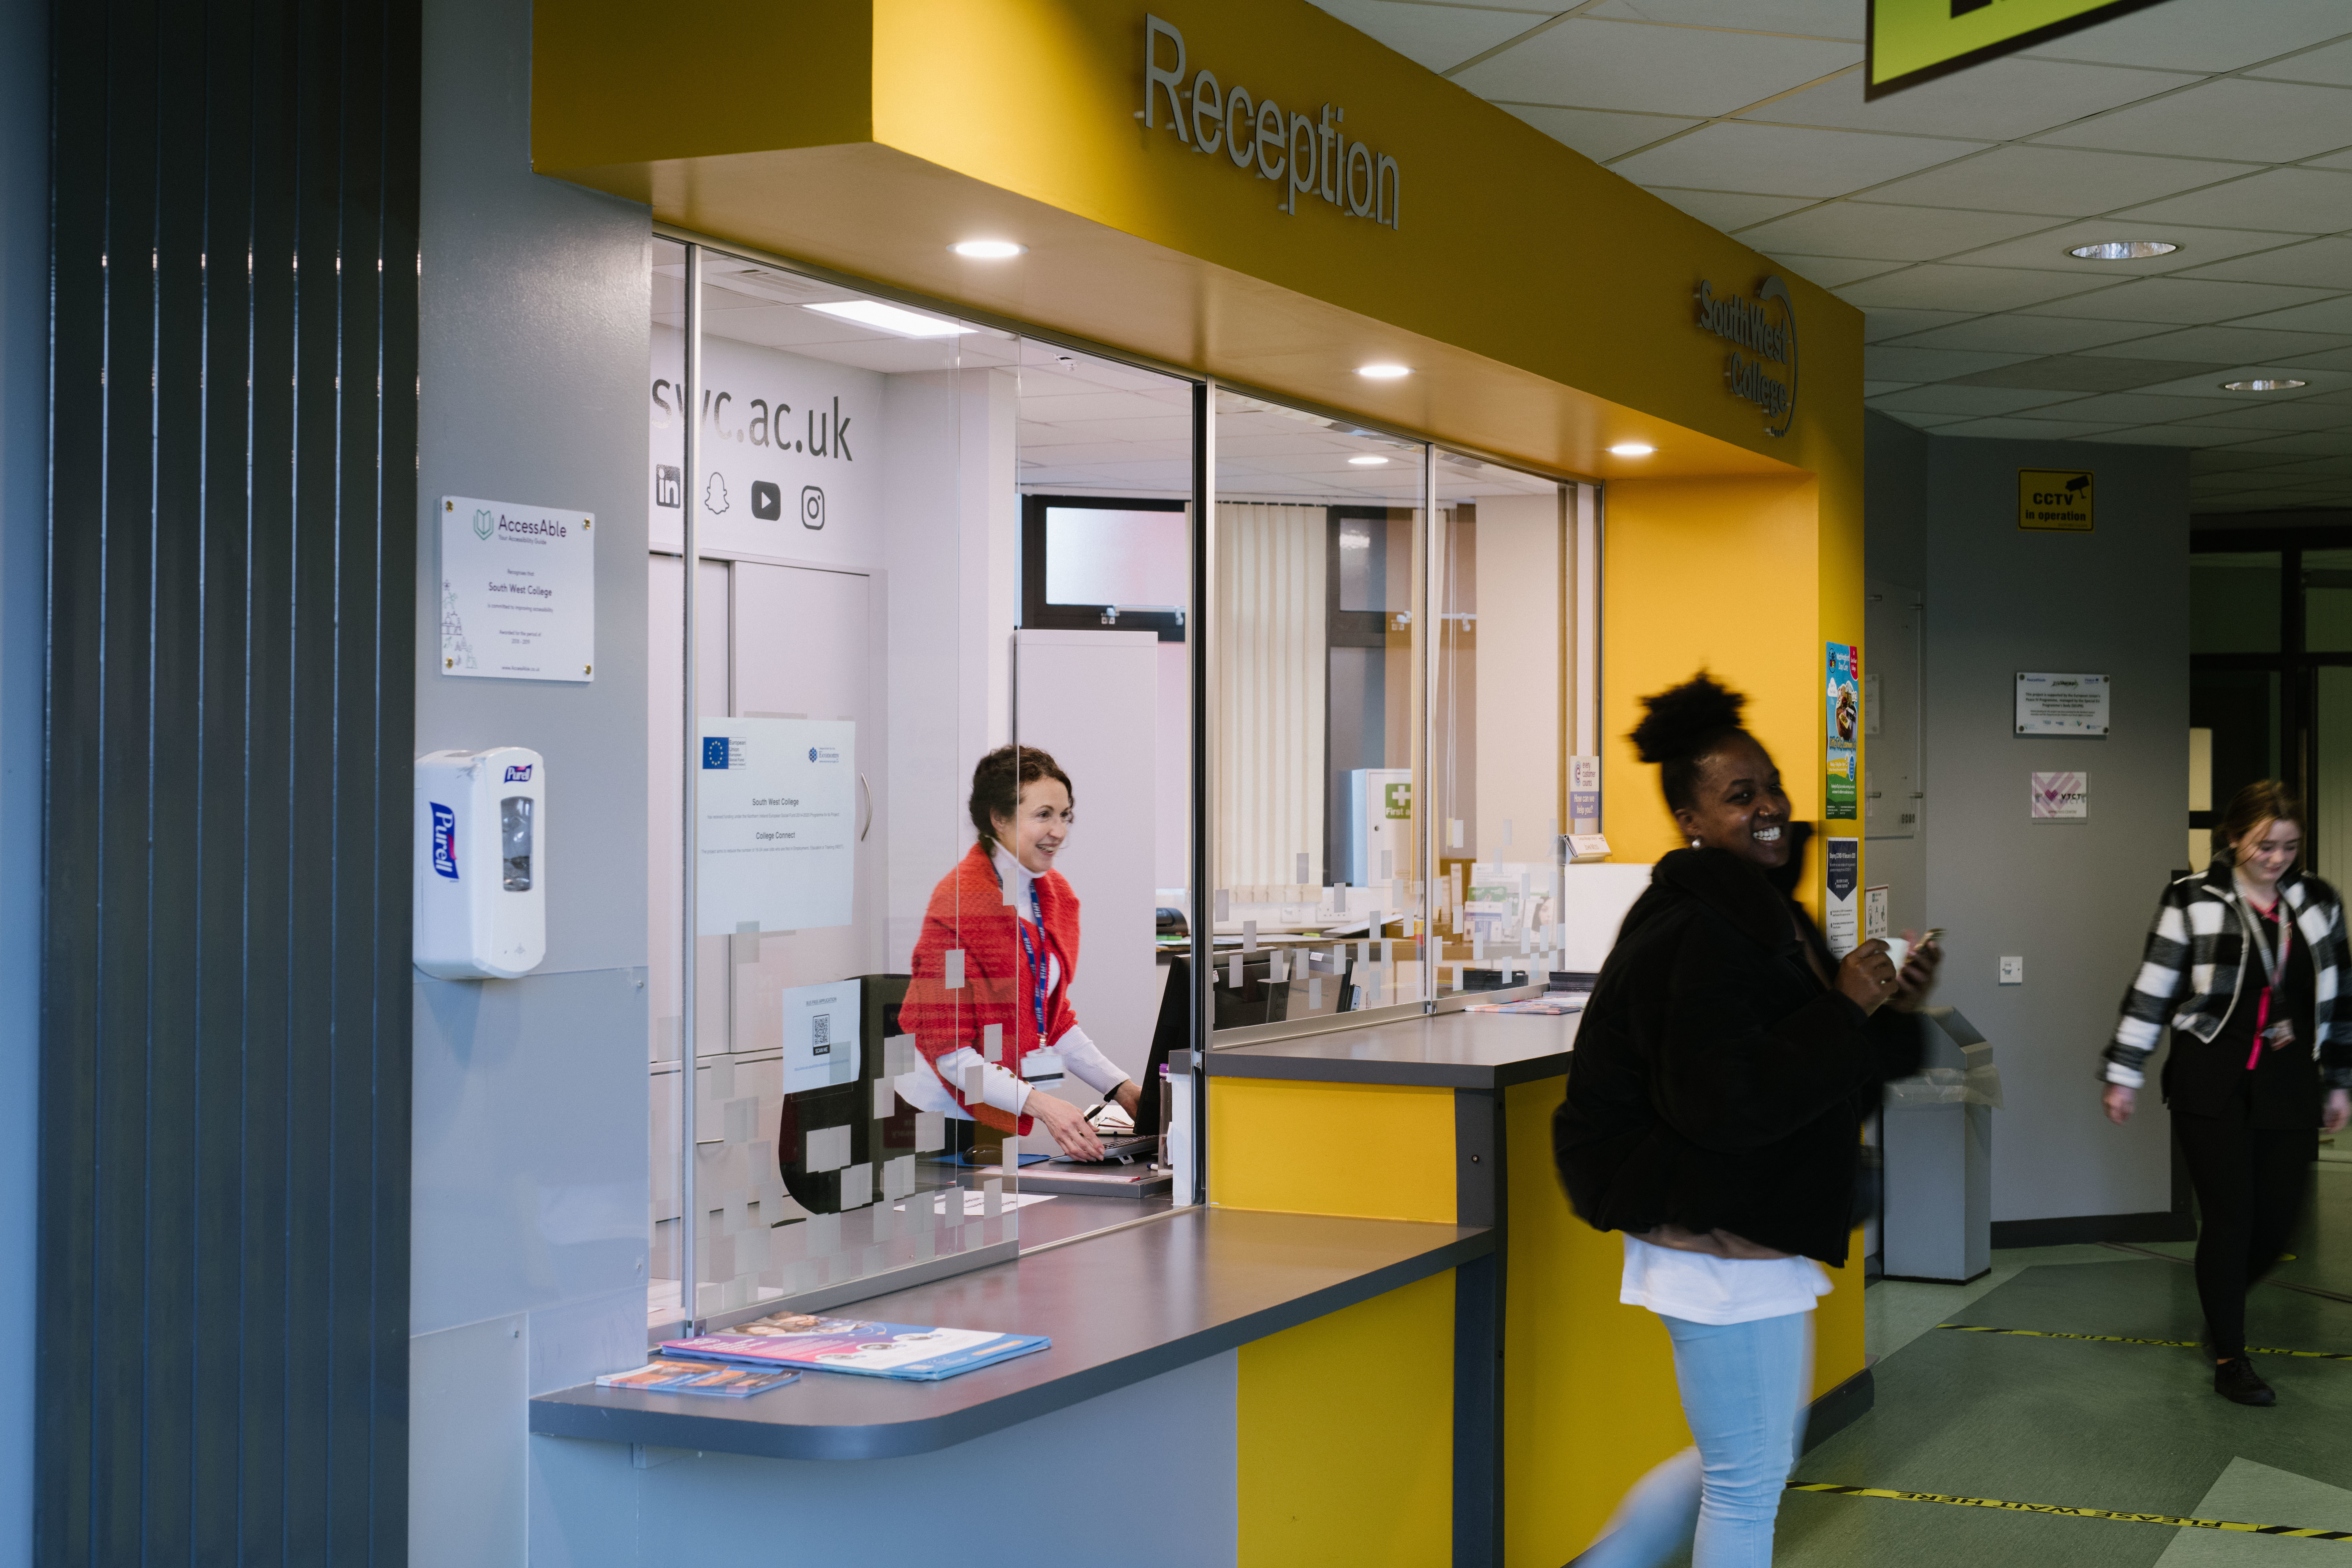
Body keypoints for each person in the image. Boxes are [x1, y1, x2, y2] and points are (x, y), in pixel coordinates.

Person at [1554, 673, 1936, 1568]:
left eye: (1772, 787)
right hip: (1720, 1246)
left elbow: (1819, 1061)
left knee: (1744, 1463)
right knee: (1748, 1482)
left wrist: (1878, 1009)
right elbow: (1725, 1101)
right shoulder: (1699, 931)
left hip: (1740, 1232)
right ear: (1691, 818)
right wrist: (1844, 1009)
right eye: (1741, 796)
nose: (1770, 808)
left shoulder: (1762, 917)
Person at [2102, 780, 2352, 1406]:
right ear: (2234, 837)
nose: (2277, 858)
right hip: (2209, 1078)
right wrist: (2125, 1071)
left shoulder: (2318, 900)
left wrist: (2341, 1080)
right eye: (2265, 845)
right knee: (2231, 1218)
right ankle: (2230, 1355)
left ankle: (2221, 1302)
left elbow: (2343, 998)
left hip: (2290, 1078)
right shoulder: (2194, 898)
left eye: (2289, 847)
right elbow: (2154, 988)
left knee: (2276, 1222)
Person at [896, 744, 1141, 1161]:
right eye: (1044, 815)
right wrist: (1044, 1106)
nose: (1059, 831)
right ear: (1000, 819)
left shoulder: (1054, 897)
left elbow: (1052, 1018)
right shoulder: (957, 908)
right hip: (935, 1119)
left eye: (1065, 816)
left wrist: (1120, 1087)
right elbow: (950, 1054)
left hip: (995, 1111)